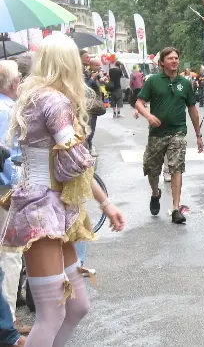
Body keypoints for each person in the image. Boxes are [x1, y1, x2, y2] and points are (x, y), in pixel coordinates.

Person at [1, 33, 125, 346]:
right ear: (69, 63)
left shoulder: (33, 96)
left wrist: (105, 203)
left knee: (78, 306)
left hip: (48, 207)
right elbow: (73, 161)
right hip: (42, 211)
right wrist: (102, 198)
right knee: (51, 314)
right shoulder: (53, 100)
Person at [135, 47, 204, 224]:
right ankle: (155, 193)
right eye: (170, 58)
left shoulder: (185, 83)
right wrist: (149, 116)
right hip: (157, 134)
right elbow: (139, 102)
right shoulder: (153, 81)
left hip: (177, 132)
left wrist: (198, 134)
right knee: (152, 169)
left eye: (176, 58)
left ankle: (175, 208)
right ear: (162, 62)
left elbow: (192, 109)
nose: (174, 61)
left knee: (176, 167)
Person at [0, 61, 28, 345]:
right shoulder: (6, 111)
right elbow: (4, 155)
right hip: (5, 189)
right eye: (19, 78)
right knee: (9, 253)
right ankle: (8, 320)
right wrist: (13, 189)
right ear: (11, 83)